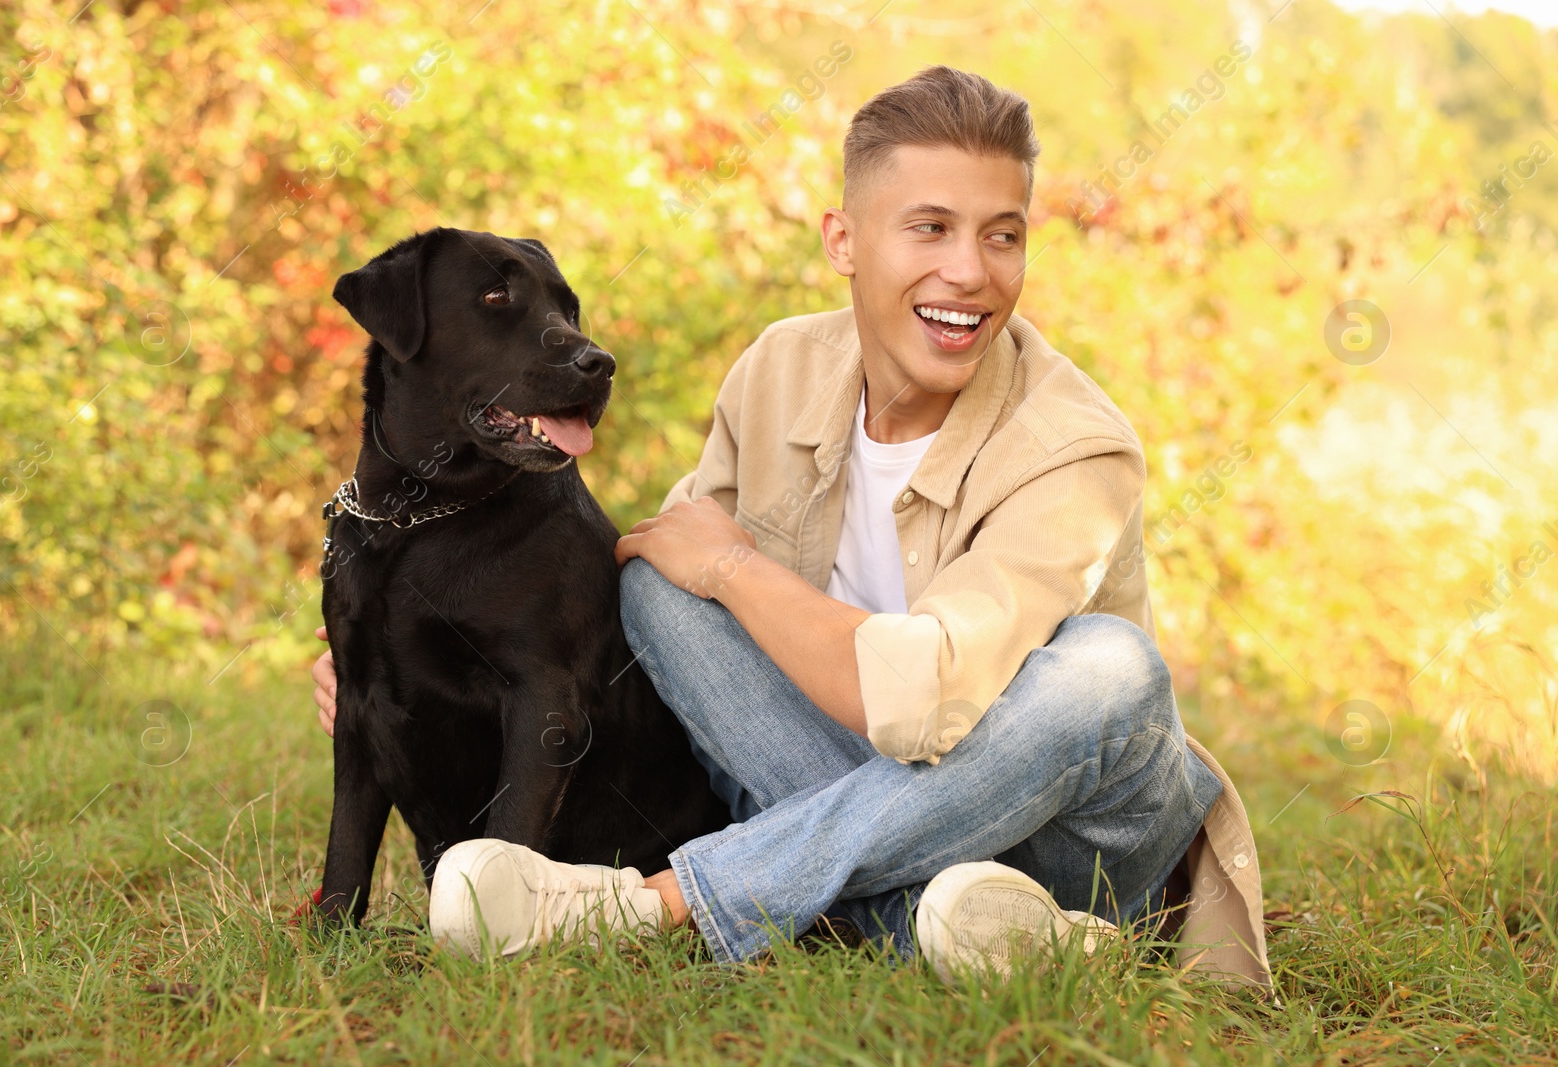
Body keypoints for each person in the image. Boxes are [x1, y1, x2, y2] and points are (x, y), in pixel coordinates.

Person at [311, 66, 1271, 987]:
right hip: (843, 794)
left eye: (1003, 236)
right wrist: (394, 670)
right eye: (929, 228)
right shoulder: (777, 371)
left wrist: (732, 568)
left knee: (1111, 666)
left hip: (1063, 834)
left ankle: (654, 907)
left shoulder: (1077, 447)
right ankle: (972, 931)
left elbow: (925, 698)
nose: (970, 271)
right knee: (655, 588)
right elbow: (635, 602)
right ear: (844, 241)